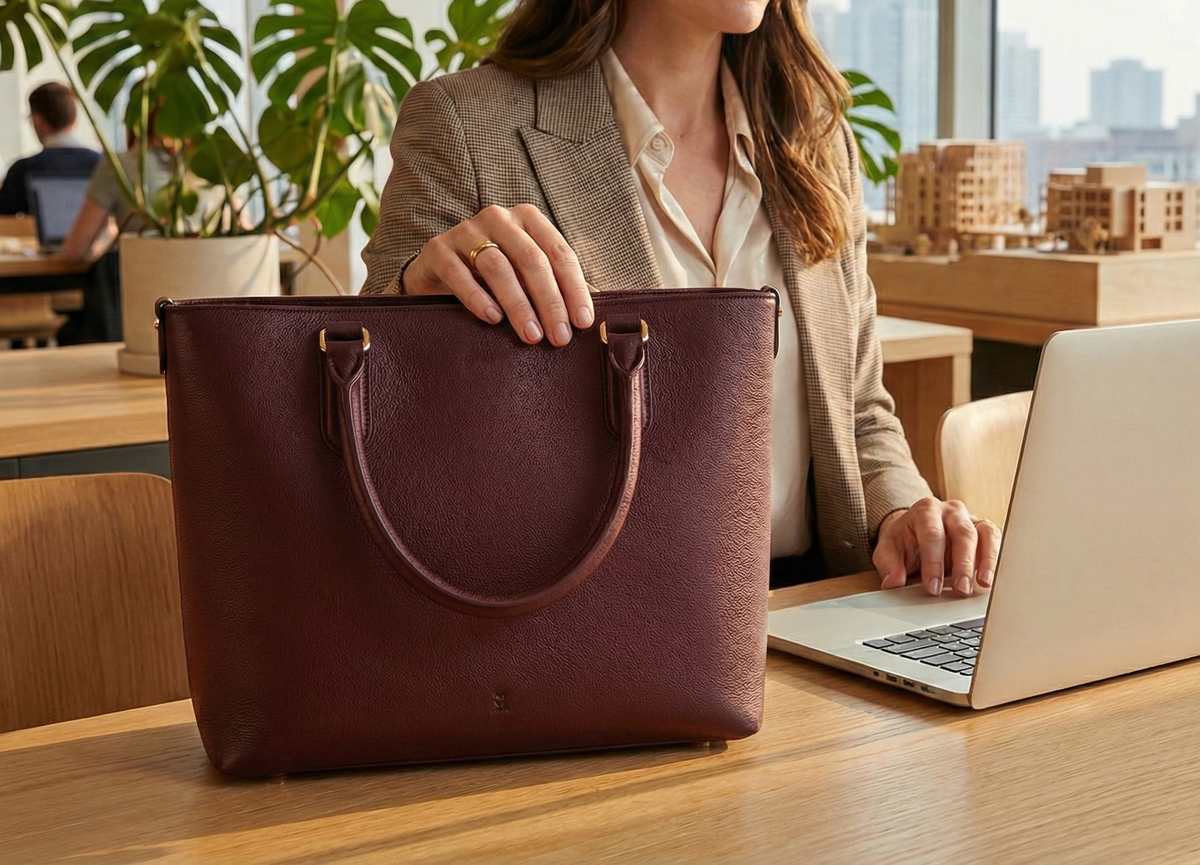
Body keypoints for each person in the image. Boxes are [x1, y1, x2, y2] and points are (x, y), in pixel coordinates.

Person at [361, 0, 1002, 596]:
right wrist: (416, 290)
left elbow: (857, 407)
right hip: (586, 618)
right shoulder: (469, 125)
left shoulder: (814, 139)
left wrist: (901, 511)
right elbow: (374, 411)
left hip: (811, 606)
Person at [0, 82, 100, 216]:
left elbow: (4, 221)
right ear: (74, 118)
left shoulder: (22, 170)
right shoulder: (102, 165)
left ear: (37, 121)